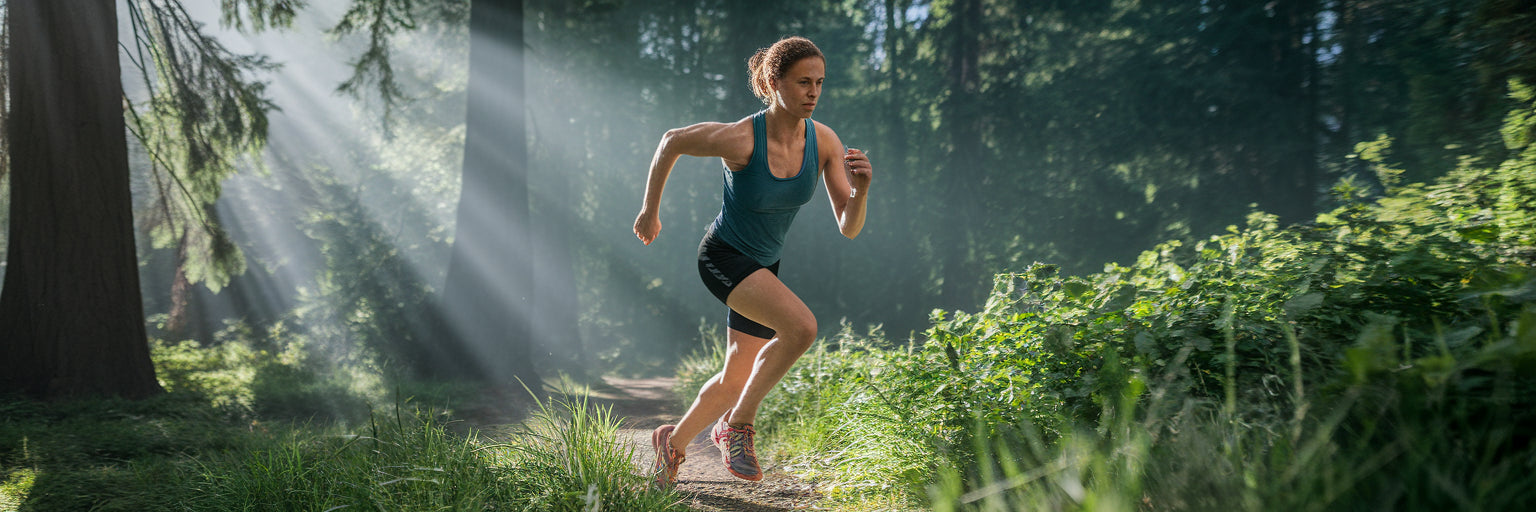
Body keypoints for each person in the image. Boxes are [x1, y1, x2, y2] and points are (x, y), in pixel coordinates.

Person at [633, 35, 873, 487]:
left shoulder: (823, 141)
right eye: (803, 82)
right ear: (773, 81)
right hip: (723, 256)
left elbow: (849, 225)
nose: (813, 93)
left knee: (733, 376)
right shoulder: (742, 138)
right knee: (801, 328)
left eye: (820, 83)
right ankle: (736, 425)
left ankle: (673, 445)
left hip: (762, 268)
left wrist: (860, 192)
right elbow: (671, 141)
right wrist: (650, 210)